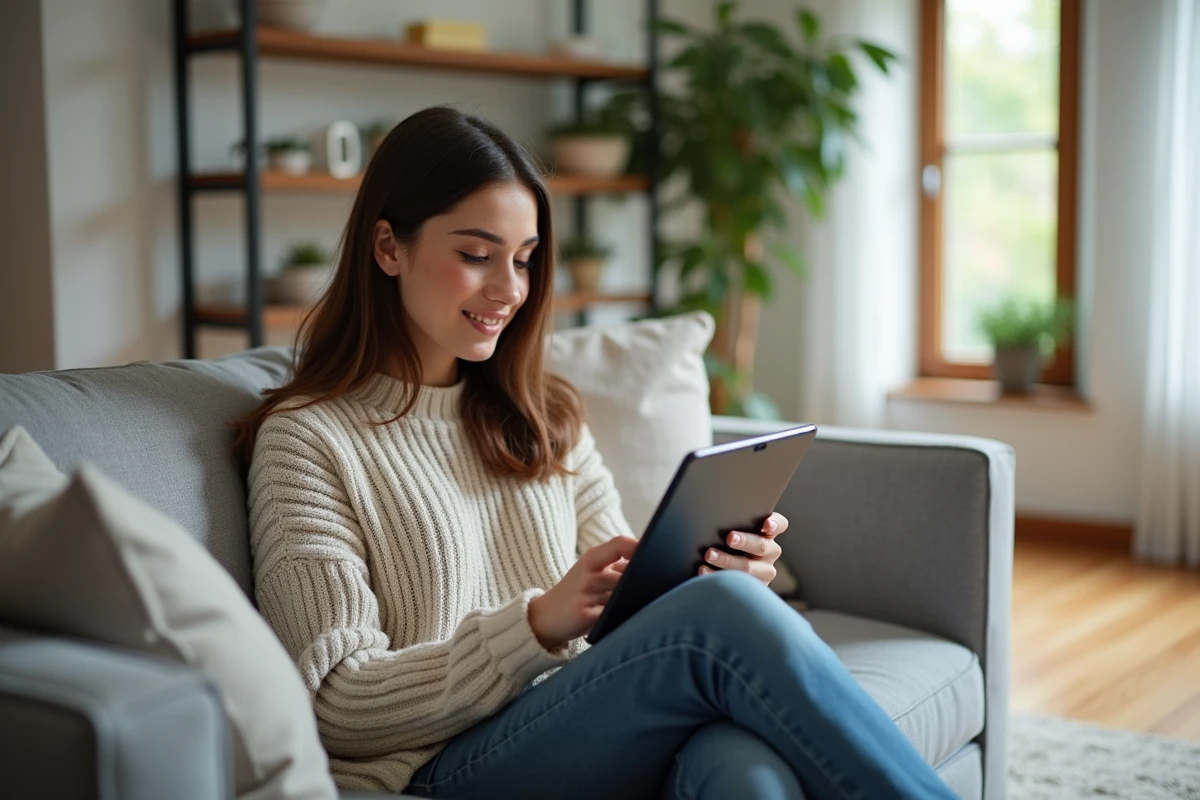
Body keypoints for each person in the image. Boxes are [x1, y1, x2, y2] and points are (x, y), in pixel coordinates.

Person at [233, 106, 955, 800]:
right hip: (442, 766)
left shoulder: (543, 418)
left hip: (584, 720)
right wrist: (536, 623)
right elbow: (335, 701)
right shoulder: (307, 440)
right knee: (720, 619)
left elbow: (626, 615)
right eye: (476, 255)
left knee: (738, 765)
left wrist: (709, 571)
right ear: (388, 247)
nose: (509, 289)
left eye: (523, 260)